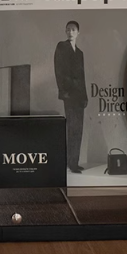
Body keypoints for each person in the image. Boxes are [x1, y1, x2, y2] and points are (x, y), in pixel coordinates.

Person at [54, 21, 88, 174]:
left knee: (79, 129)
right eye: (68, 29)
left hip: (79, 96)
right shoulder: (61, 46)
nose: (70, 32)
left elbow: (82, 77)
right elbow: (58, 70)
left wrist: (85, 95)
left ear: (78, 32)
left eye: (73, 29)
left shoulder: (80, 53)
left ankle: (74, 161)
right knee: (72, 127)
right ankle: (71, 163)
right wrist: (63, 90)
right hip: (69, 94)